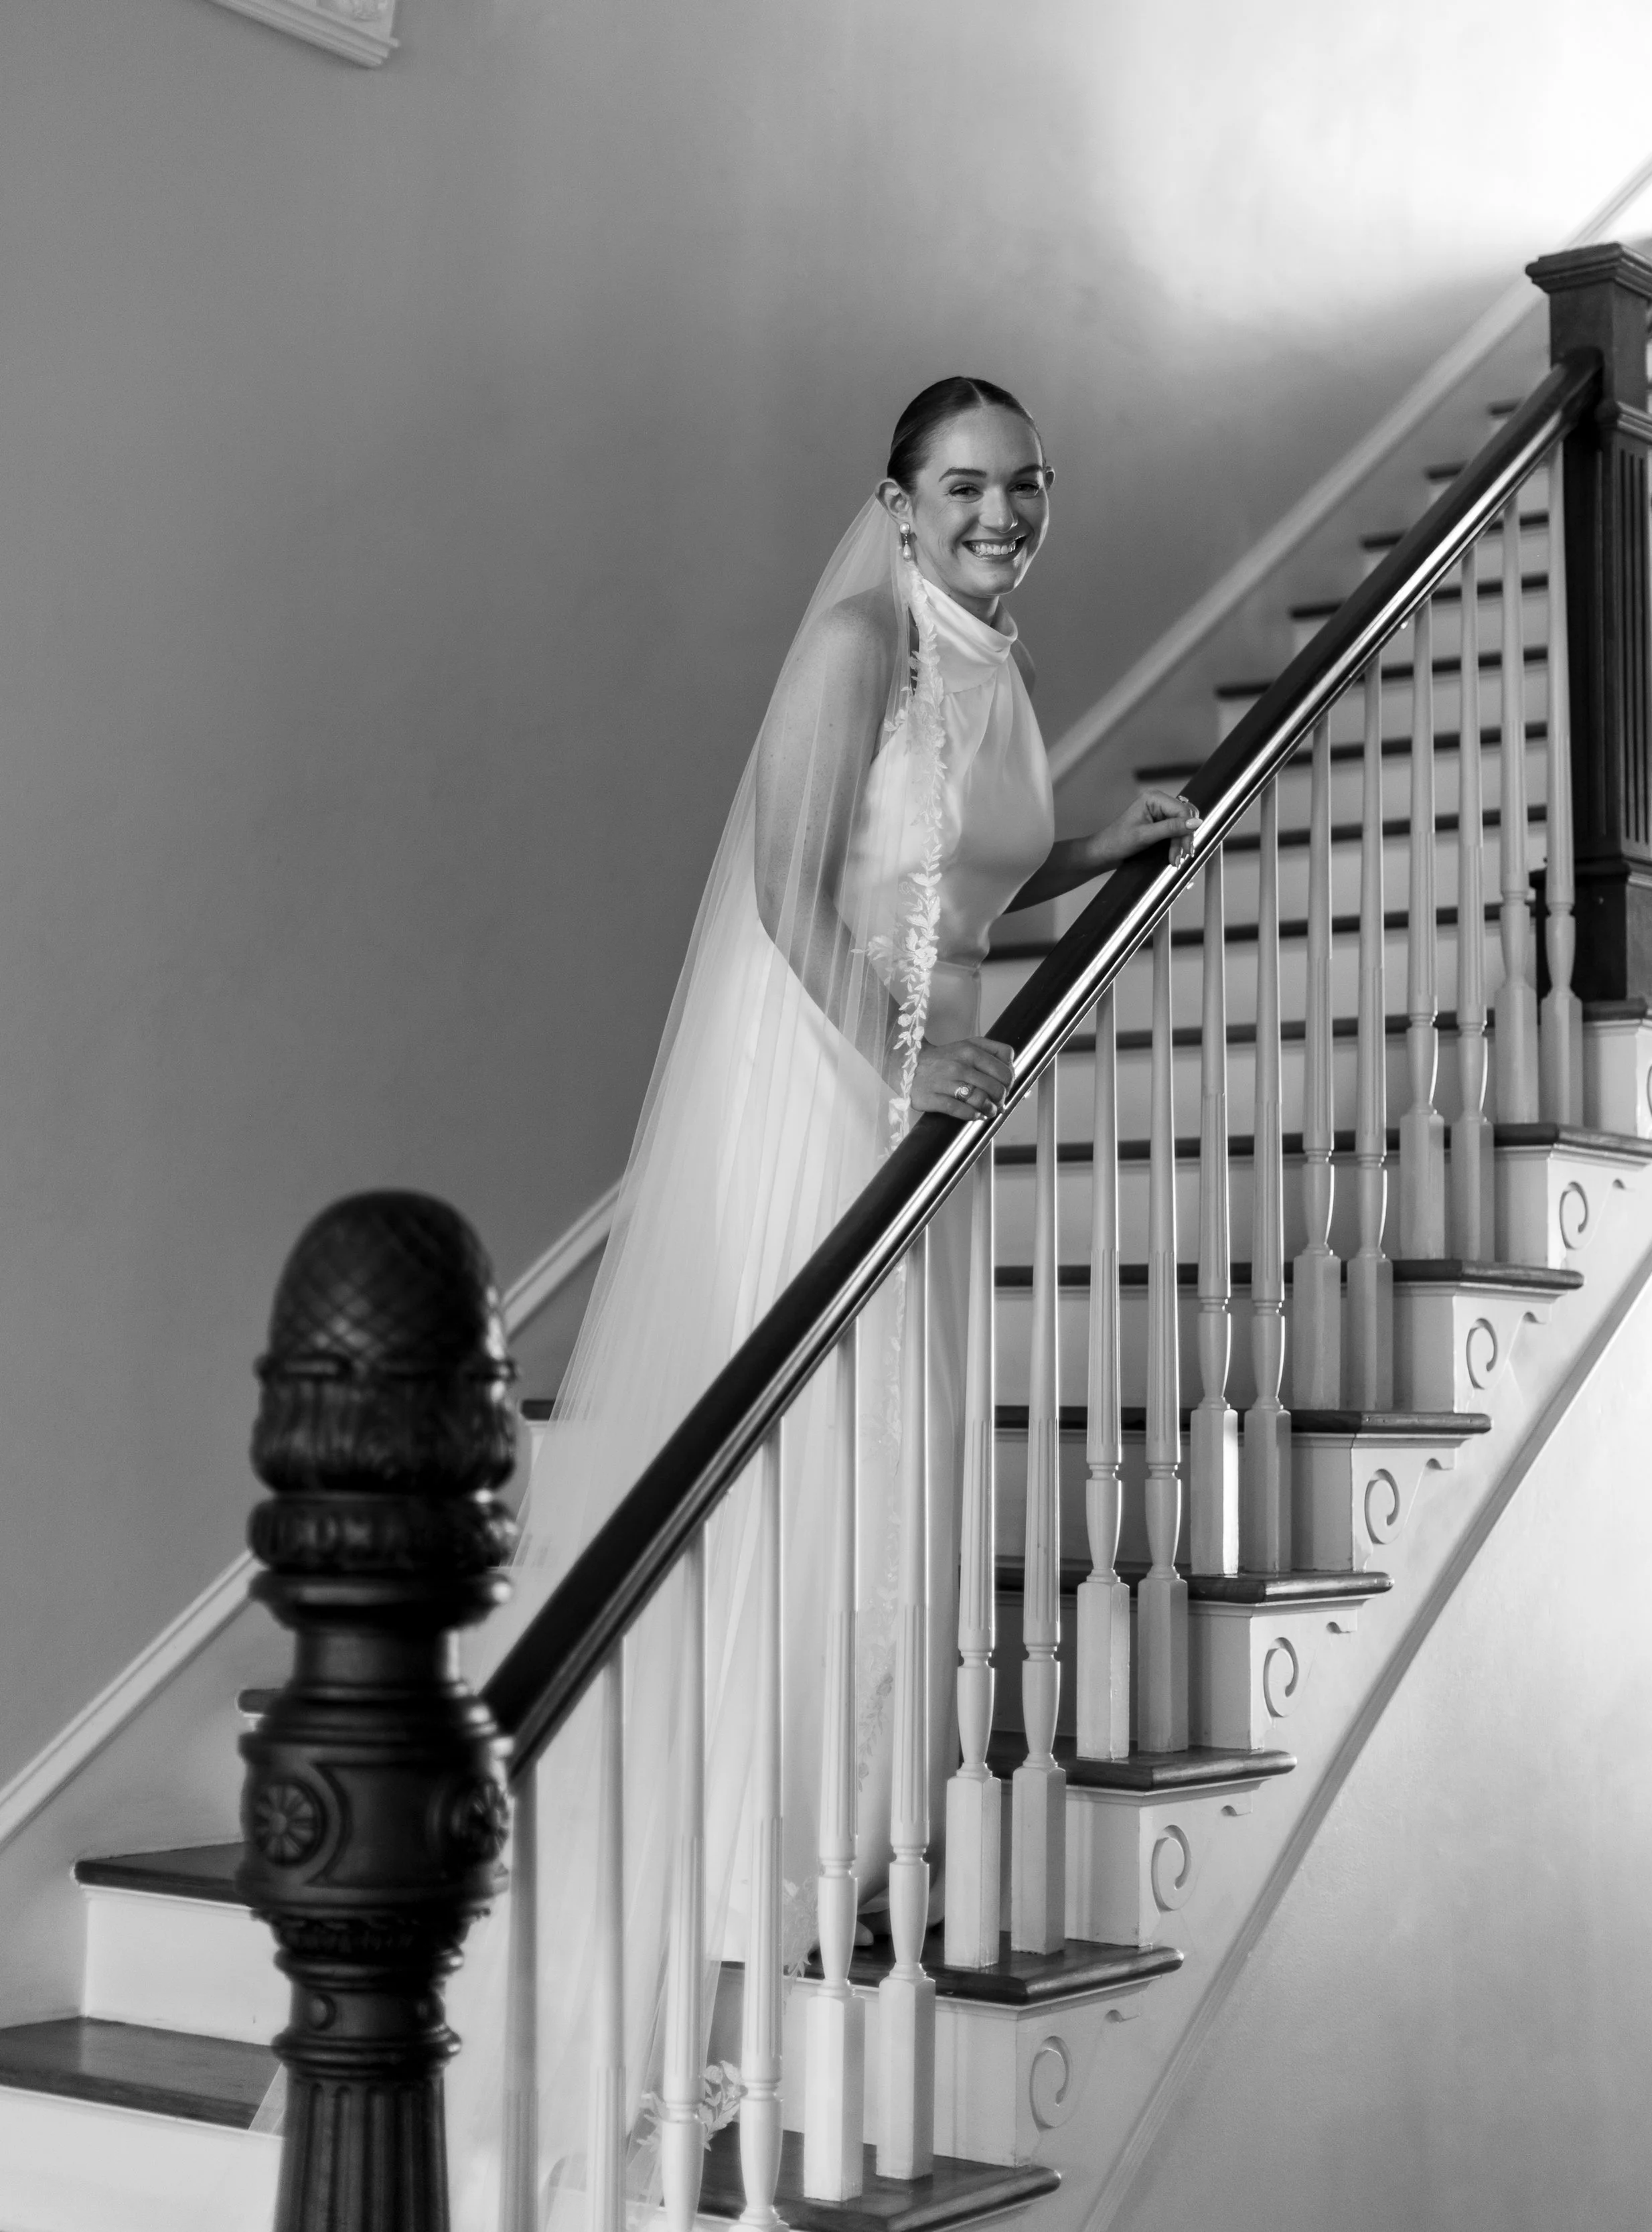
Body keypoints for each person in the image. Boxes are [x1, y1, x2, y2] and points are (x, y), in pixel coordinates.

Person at [453, 378, 1197, 2225]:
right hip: (825, 1104)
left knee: (884, 1482)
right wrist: (891, 1075)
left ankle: (798, 1891)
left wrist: (1124, 847)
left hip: (915, 1120)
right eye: (965, 485)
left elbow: (959, 878)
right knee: (792, 1477)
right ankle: (687, 1961)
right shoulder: (864, 636)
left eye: (1025, 483)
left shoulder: (998, 659)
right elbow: (793, 892)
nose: (1002, 512)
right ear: (894, 500)